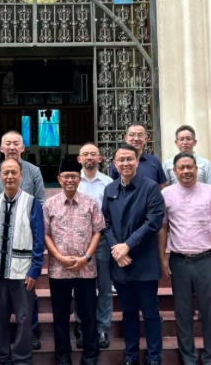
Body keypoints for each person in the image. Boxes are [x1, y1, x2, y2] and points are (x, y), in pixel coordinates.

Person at [158, 153, 211, 365]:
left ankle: (210, 359)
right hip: (179, 261)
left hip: (207, 261)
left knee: (210, 312)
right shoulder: (167, 194)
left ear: (197, 169)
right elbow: (163, 228)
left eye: (189, 167)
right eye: (181, 168)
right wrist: (162, 257)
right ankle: (188, 359)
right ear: (174, 171)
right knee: (182, 313)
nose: (186, 171)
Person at [0, 130, 45, 350]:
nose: (11, 146)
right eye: (7, 143)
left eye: (15, 143)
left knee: (27, 303)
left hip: (24, 246)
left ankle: (30, 335)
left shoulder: (33, 171)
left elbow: (41, 200)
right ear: (1, 148)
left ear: (22, 147)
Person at [103, 143, 165, 365]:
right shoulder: (109, 190)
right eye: (121, 160)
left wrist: (127, 246)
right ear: (115, 164)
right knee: (128, 313)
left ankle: (154, 357)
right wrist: (116, 249)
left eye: (130, 159)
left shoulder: (150, 188)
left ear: (137, 162)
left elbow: (154, 222)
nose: (125, 163)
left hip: (144, 262)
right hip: (120, 262)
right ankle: (130, 356)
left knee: (150, 313)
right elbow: (106, 223)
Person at [44, 158, 104, 365]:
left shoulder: (91, 203)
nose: (70, 180)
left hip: (86, 269)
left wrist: (86, 257)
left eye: (74, 177)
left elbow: (98, 232)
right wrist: (59, 257)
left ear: (79, 179)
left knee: (88, 314)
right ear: (59, 179)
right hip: (58, 270)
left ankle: (90, 356)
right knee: (60, 315)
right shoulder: (49, 204)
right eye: (66, 177)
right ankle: (63, 357)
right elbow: (45, 235)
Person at [74, 143, 113, 349]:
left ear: (100, 159)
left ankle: (102, 329)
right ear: (79, 159)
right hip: (77, 243)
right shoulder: (73, 181)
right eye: (85, 154)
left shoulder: (109, 183)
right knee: (80, 288)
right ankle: (82, 328)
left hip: (103, 242)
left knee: (105, 287)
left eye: (93, 154)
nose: (89, 158)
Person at [107, 123, 167, 189]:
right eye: (132, 135)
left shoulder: (154, 160)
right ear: (126, 138)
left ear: (146, 139)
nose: (136, 139)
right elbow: (112, 187)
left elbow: (162, 187)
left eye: (140, 135)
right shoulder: (118, 162)